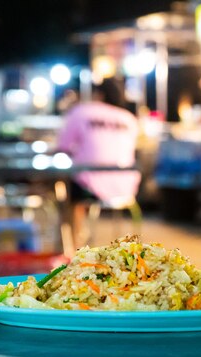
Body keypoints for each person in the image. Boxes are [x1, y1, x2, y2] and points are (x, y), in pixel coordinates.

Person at [57, 78, 141, 245]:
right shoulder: (129, 119)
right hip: (126, 187)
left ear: (99, 94)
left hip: (89, 185)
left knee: (66, 194)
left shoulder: (82, 111)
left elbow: (63, 146)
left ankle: (72, 248)